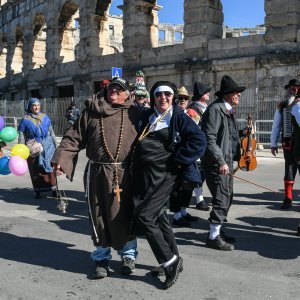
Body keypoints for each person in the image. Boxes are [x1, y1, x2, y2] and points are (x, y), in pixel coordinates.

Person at [51, 77, 142, 279]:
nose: (114, 92)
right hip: (97, 173)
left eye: (119, 89)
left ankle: (128, 256)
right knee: (99, 215)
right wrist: (61, 158)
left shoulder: (135, 113)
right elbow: (73, 137)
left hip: (126, 173)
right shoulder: (92, 111)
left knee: (125, 215)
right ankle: (101, 258)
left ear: (127, 94)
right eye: (111, 88)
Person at [131, 81, 207, 289]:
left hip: (165, 176)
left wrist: (177, 159)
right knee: (159, 216)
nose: (163, 98)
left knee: (145, 217)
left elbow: (199, 140)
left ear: (172, 97)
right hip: (146, 176)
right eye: (159, 95)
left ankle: (170, 263)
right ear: (153, 97)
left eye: (167, 94)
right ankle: (174, 256)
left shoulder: (178, 116)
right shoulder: (148, 116)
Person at [201, 75, 246, 251]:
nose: (239, 95)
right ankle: (212, 237)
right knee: (221, 197)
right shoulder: (215, 110)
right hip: (216, 162)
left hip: (225, 161)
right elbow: (209, 138)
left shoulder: (226, 110)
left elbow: (228, 136)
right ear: (228, 94)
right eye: (237, 93)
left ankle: (218, 231)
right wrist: (220, 161)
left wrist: (242, 133)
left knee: (227, 196)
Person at [18, 97, 59, 199]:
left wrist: (56, 145)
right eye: (34, 105)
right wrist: (21, 150)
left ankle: (54, 190)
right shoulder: (25, 120)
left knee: (50, 169)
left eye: (38, 105)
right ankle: (38, 191)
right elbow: (22, 135)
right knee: (36, 170)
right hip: (33, 147)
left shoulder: (45, 117)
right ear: (30, 107)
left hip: (48, 147)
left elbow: (52, 132)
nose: (36, 107)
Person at [171, 86, 198, 228]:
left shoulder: (191, 114)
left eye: (185, 98)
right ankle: (176, 216)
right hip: (178, 156)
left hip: (189, 156)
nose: (182, 100)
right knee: (177, 188)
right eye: (180, 98)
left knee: (188, 186)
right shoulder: (172, 115)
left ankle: (183, 211)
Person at [270, 78, 300, 209]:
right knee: (289, 169)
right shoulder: (282, 106)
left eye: (298, 88)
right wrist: (273, 143)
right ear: (289, 90)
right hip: (289, 143)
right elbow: (276, 125)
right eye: (293, 88)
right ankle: (288, 198)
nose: (295, 91)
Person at [186, 82, 212, 211]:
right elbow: (193, 129)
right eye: (206, 91)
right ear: (201, 94)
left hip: (206, 145)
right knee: (198, 174)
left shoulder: (205, 107)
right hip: (198, 146)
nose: (209, 93)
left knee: (203, 174)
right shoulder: (193, 109)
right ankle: (199, 200)